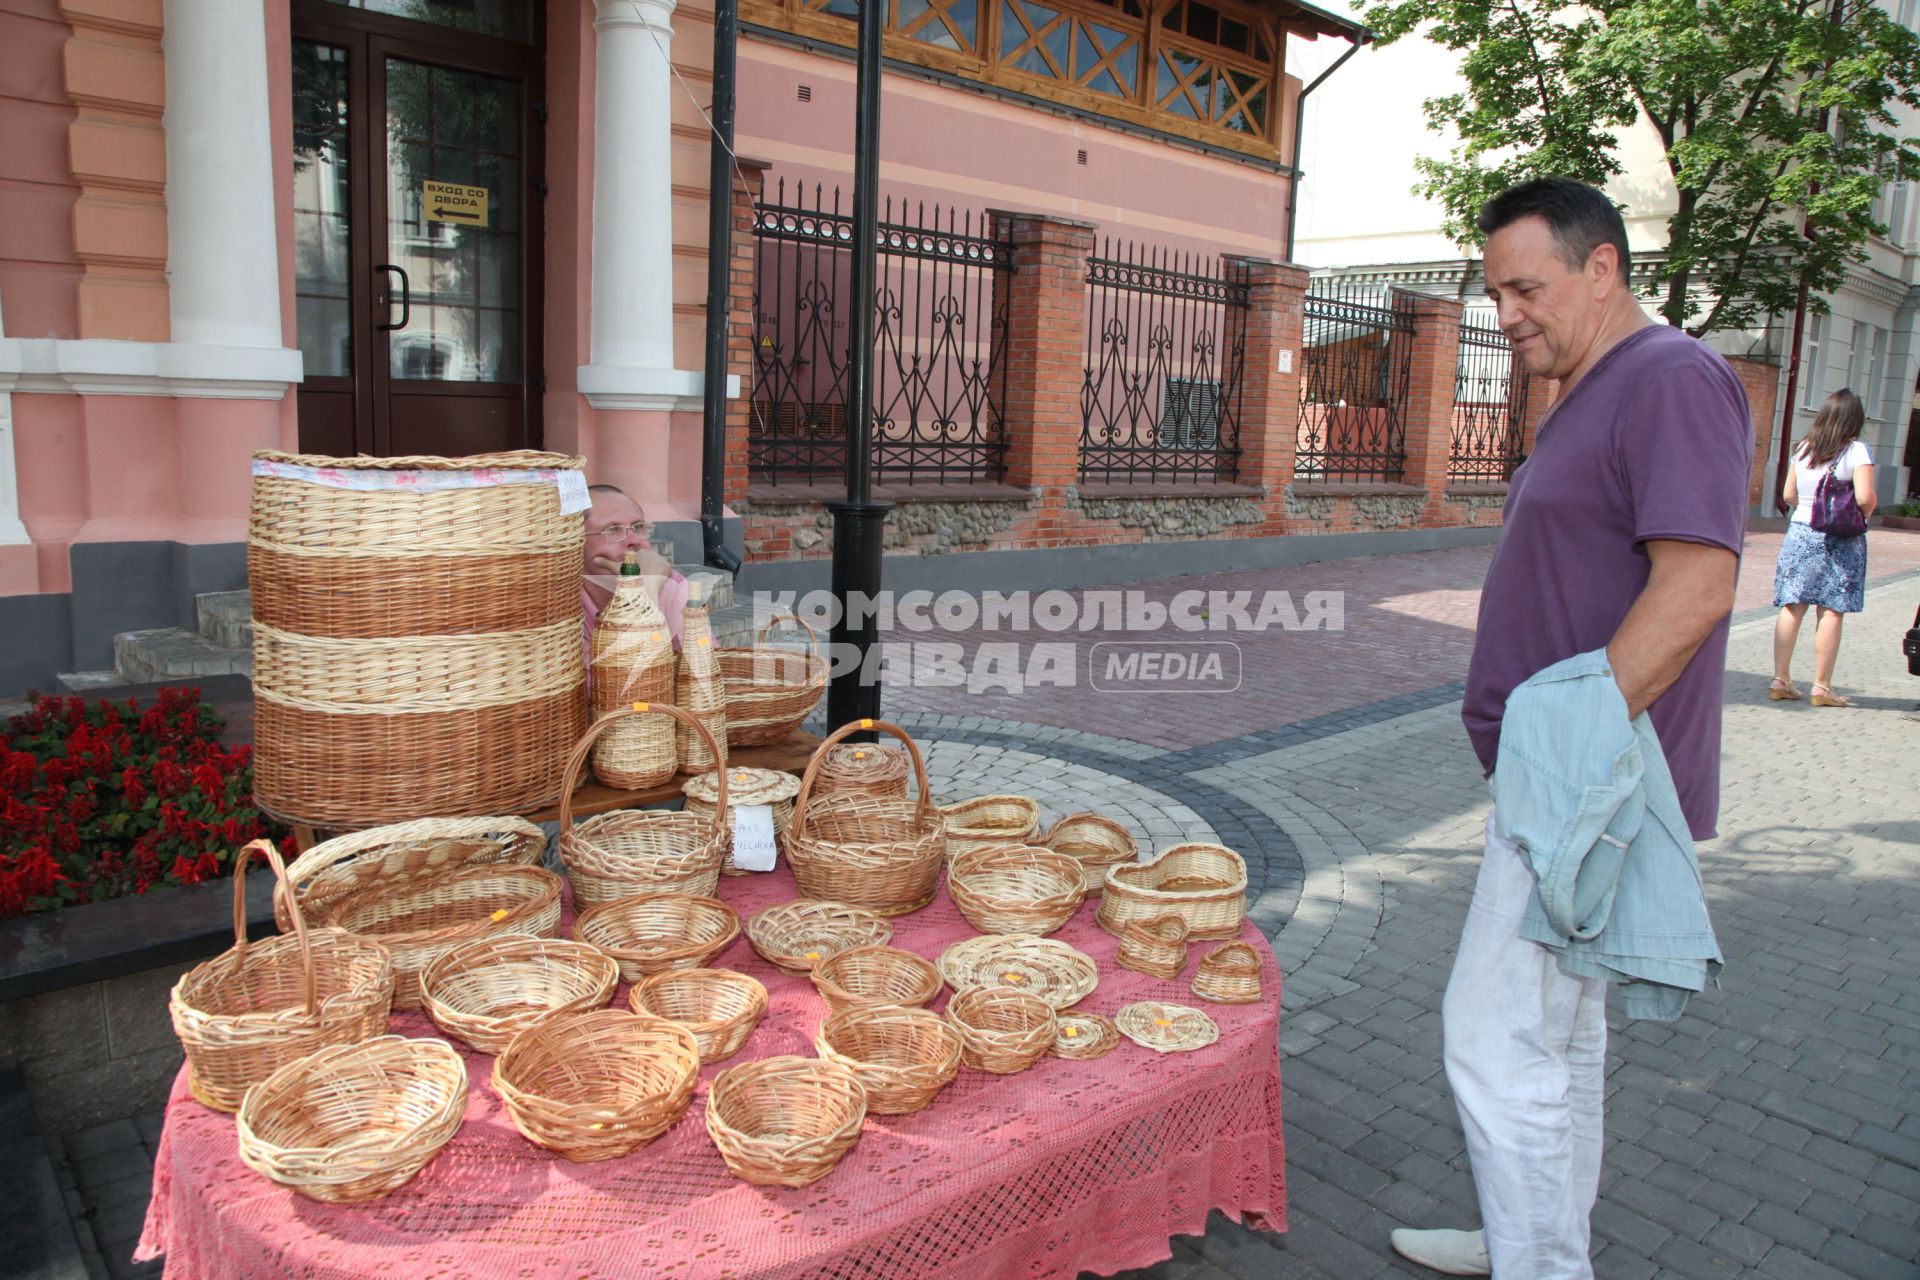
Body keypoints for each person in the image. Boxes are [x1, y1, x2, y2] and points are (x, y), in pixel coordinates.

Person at [1389, 179, 1752, 1279]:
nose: (1508, 315)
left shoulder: (1672, 378)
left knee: (1495, 1036)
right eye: (1496, 291)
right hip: (1567, 780)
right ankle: (1529, 1236)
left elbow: (1696, 587)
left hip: (1583, 789)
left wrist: (1568, 752)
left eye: (1526, 287)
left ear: (1602, 269)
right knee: (1560, 1038)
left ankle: (1543, 1263)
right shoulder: (1594, 386)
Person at [1769, 388, 1876, 706]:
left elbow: (1788, 494)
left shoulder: (1803, 449)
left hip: (1800, 532)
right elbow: (1865, 498)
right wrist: (1863, 518)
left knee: (1792, 605)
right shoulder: (1856, 451)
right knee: (1831, 609)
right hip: (1839, 537)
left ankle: (1780, 680)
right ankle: (1821, 687)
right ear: (1854, 419)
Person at [582, 484, 688, 675]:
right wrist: (643, 595)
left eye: (638, 527)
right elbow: (612, 688)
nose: (634, 541)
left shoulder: (669, 586)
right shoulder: (556, 604)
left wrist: (647, 587)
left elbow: (703, 676)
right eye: (613, 530)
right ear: (575, 541)